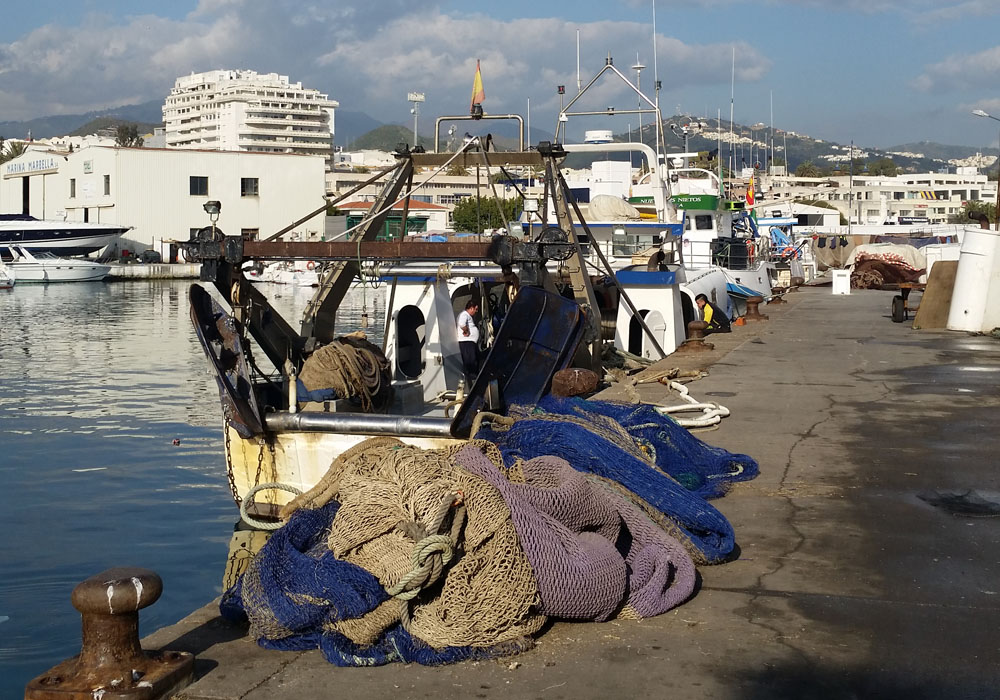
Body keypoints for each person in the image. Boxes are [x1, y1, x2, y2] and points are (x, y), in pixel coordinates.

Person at [457, 299, 481, 385]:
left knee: (476, 360)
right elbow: (462, 324)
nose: (476, 311)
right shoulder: (464, 314)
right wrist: (466, 331)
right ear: (471, 308)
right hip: (466, 342)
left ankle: (474, 376)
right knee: (470, 361)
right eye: (476, 309)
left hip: (471, 342)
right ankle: (472, 378)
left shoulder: (467, 316)